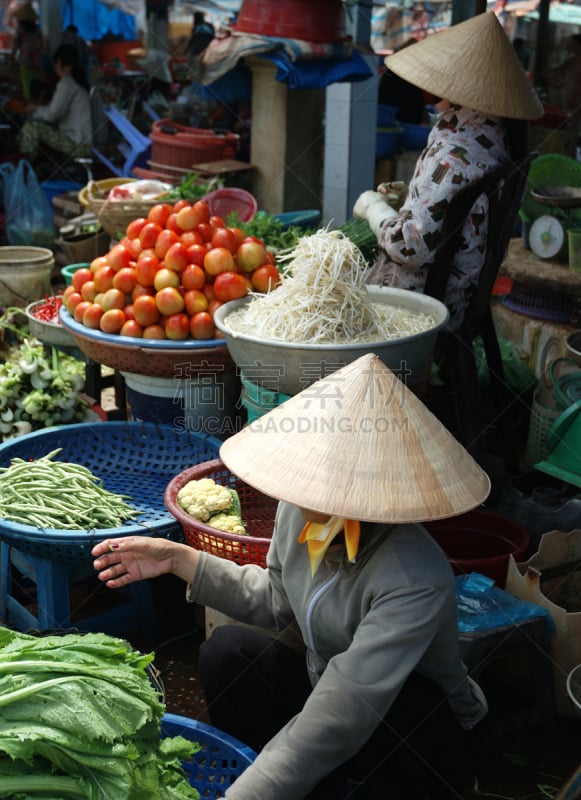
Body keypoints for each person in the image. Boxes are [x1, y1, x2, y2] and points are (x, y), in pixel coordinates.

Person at [93, 352, 495, 800]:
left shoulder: (414, 577)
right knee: (228, 652)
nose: (297, 492)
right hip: (328, 691)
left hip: (418, 732)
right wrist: (179, 560)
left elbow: (346, 709)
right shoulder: (301, 512)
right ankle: (282, 775)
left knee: (406, 706)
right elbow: (277, 600)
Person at [354, 12, 543, 331]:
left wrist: (374, 209)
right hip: (467, 293)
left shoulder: (453, 151)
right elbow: (454, 204)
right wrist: (411, 197)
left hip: (431, 303)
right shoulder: (497, 133)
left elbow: (408, 248)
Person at [18, 42, 91, 161]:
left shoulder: (66, 83)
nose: (55, 68)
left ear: (62, 65)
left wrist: (35, 109)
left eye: (56, 64)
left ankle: (26, 167)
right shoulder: (79, 83)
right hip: (86, 143)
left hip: (78, 145)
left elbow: (51, 115)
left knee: (31, 127)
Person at [11, 2, 44, 101]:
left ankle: (29, 102)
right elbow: (41, 42)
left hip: (26, 60)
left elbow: (16, 43)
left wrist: (12, 56)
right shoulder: (37, 28)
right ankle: (40, 99)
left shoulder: (21, 28)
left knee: (27, 83)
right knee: (38, 82)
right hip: (37, 60)